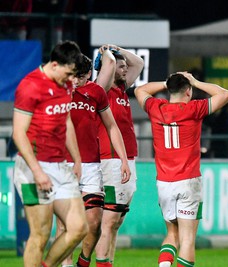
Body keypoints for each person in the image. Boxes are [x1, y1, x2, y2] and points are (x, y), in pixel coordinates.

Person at [134, 72, 228, 267]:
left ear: (170, 89)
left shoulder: (156, 108)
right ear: (188, 91)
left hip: (164, 182)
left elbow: (139, 89)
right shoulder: (194, 109)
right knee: (187, 239)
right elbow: (225, 94)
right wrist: (196, 82)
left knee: (172, 233)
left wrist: (166, 82)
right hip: (188, 181)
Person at [12, 40, 88, 267]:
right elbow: (18, 133)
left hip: (60, 165)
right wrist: (37, 172)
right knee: (40, 235)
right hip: (32, 168)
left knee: (78, 229)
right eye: (68, 73)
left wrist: (77, 158)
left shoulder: (65, 85)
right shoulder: (30, 86)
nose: (71, 79)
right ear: (54, 64)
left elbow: (66, 121)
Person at [55, 47, 131, 267]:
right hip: (63, 165)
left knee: (95, 222)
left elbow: (112, 126)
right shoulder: (59, 90)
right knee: (64, 225)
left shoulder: (96, 92)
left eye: (80, 76)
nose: (76, 80)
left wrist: (123, 159)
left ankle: (84, 260)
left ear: (88, 74)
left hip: (90, 166)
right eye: (73, 75)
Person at [95, 45, 144, 266]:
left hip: (127, 160)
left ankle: (108, 262)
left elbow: (139, 63)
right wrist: (107, 54)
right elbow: (111, 65)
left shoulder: (122, 90)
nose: (125, 70)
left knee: (116, 222)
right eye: (121, 67)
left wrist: (118, 48)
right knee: (109, 221)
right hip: (111, 160)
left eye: (125, 67)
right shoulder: (101, 91)